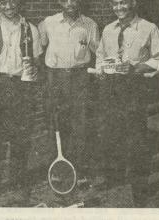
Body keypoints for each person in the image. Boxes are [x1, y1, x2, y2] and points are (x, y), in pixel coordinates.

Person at [0, 0, 43, 201]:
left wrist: (35, 71)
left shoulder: (31, 28)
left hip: (21, 88)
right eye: (3, 2)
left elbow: (36, 62)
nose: (9, 5)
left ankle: (19, 185)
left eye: (13, 1)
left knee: (21, 139)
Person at [95, 0, 159, 207]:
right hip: (111, 89)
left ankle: (139, 187)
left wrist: (135, 68)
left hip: (135, 88)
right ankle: (114, 180)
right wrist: (102, 71)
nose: (119, 8)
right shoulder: (108, 29)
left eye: (123, 2)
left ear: (133, 3)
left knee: (136, 137)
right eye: (115, 4)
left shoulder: (149, 28)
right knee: (111, 133)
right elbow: (100, 56)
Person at [38, 0, 100, 176]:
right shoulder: (48, 23)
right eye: (65, 0)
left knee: (80, 121)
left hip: (80, 76)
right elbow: (39, 48)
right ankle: (58, 166)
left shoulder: (89, 24)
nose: (70, 3)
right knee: (56, 120)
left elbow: (99, 51)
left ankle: (79, 167)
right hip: (55, 77)